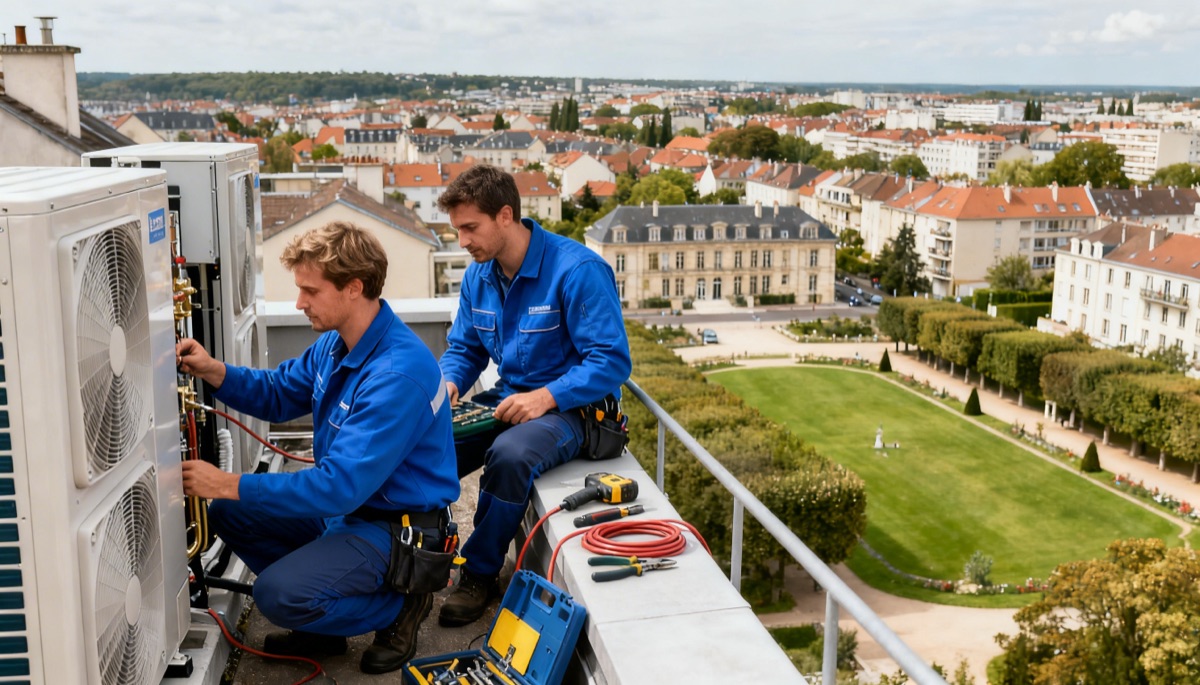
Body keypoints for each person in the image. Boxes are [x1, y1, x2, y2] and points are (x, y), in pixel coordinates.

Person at [177, 222, 459, 674]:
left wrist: (230, 482)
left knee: (275, 594)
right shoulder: (337, 343)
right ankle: (325, 623)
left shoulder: (395, 374)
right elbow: (278, 392)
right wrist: (213, 371)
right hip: (348, 512)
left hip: (393, 530)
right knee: (230, 512)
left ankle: (399, 606)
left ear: (353, 288)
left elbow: (337, 487)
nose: (299, 303)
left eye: (310, 291)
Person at [435, 164, 632, 627]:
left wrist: (545, 397)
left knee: (510, 454)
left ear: (506, 215)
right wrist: (447, 385)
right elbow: (464, 349)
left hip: (578, 412)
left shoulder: (578, 270)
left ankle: (481, 574)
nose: (462, 241)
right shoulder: (478, 277)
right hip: (513, 397)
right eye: (457, 229)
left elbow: (611, 361)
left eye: (470, 228)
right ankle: (419, 557)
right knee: (424, 439)